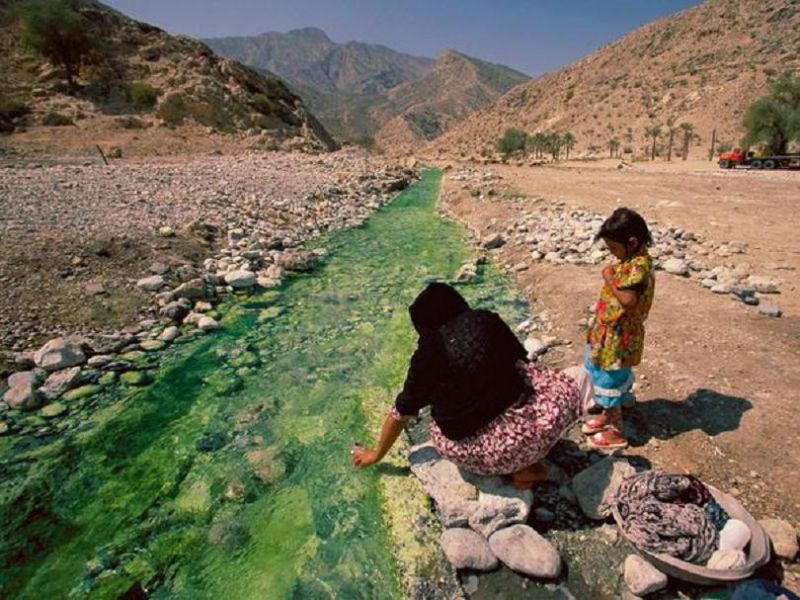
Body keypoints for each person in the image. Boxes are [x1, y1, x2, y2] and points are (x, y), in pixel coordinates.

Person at [351, 282, 592, 488]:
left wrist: (376, 455)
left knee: (437, 428)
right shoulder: (486, 319)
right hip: (546, 425)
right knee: (534, 372)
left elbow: (400, 412)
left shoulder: (429, 353)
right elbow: (519, 358)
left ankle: (522, 468)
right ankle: (540, 453)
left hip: (496, 453)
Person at [582, 207, 655, 450]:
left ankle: (616, 431)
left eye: (614, 248)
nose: (612, 254)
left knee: (610, 380)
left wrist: (608, 277)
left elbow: (628, 301)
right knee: (599, 373)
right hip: (608, 333)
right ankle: (607, 414)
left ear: (632, 242)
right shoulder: (629, 260)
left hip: (619, 337)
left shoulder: (639, 266)